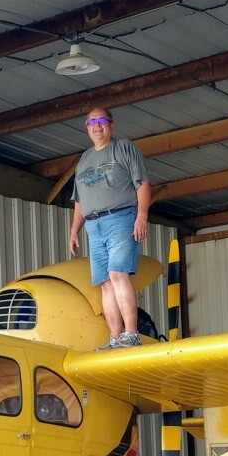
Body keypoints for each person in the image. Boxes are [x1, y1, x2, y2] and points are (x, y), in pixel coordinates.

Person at [69, 107, 151, 349]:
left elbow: (143, 183)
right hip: (93, 226)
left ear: (111, 125)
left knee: (117, 273)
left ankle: (131, 334)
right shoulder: (84, 159)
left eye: (102, 120)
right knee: (105, 282)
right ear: (86, 128)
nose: (97, 125)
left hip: (121, 218)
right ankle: (115, 338)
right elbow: (79, 200)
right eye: (92, 122)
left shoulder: (124, 148)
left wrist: (142, 215)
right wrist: (74, 230)